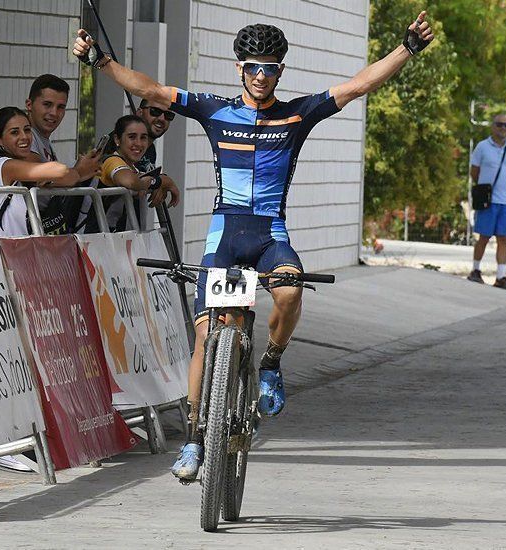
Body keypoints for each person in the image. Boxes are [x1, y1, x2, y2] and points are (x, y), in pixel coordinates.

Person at [73, 12, 434, 481]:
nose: (262, 76)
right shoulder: (215, 110)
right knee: (205, 335)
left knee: (289, 290)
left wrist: (406, 47)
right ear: (239, 69)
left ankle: (271, 363)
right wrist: (101, 60)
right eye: (253, 67)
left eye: (270, 68)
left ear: (280, 71)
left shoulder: (298, 113)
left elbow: (358, 85)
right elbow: (152, 91)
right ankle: (195, 440)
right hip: (225, 234)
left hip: (269, 234)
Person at [0, 106, 99, 237]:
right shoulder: (3, 165)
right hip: (2, 251)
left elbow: (67, 176)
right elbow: (60, 170)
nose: (24, 137)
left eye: (27, 130)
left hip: (21, 250)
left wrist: (52, 179)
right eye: (15, 132)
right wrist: (75, 172)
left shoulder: (17, 167)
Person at [467, 114, 506, 291]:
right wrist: (485, 189)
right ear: (493, 126)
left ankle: (501, 276)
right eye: (500, 125)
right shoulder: (482, 147)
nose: (503, 128)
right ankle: (475, 270)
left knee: (503, 239)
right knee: (483, 236)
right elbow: (474, 172)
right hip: (488, 201)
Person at [97, 115, 180, 231]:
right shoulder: (112, 160)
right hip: (95, 243)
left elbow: (137, 178)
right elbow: (130, 181)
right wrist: (153, 182)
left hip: (119, 243)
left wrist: (162, 180)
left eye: (143, 138)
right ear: (117, 139)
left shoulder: (133, 169)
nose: (138, 143)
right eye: (132, 137)